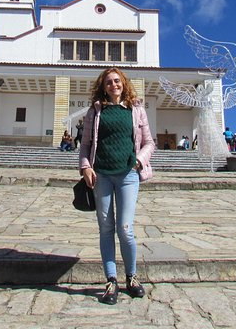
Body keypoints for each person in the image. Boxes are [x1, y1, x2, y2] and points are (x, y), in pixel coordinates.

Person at [79, 67, 155, 305]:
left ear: (124, 83)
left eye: (117, 81)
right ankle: (111, 280)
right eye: (109, 82)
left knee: (125, 228)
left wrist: (137, 162)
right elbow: (86, 144)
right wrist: (85, 167)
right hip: (101, 175)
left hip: (128, 175)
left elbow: (149, 143)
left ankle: (131, 277)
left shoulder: (136, 109)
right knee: (105, 228)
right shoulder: (96, 111)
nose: (114, 85)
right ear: (103, 86)